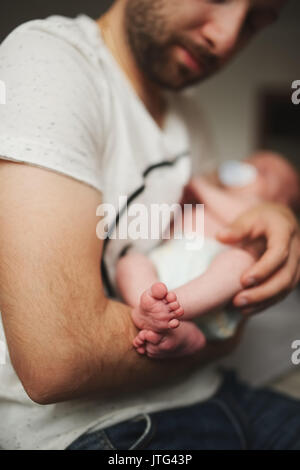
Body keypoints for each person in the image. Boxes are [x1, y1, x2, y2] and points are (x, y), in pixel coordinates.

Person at [0, 0, 299, 450]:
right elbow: (57, 362)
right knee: (138, 267)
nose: (226, 38)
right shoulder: (51, 63)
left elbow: (209, 221)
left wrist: (274, 214)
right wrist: (216, 340)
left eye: (258, 19)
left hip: (216, 391)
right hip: (107, 427)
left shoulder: (188, 115)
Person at [116, 152, 300, 357]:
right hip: (164, 267)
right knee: (130, 262)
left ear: (280, 202)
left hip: (210, 284)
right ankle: (156, 315)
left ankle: (168, 311)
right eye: (249, 162)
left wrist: (200, 185)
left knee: (240, 262)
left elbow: (241, 218)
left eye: (263, 172)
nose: (249, 168)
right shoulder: (206, 200)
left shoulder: (259, 210)